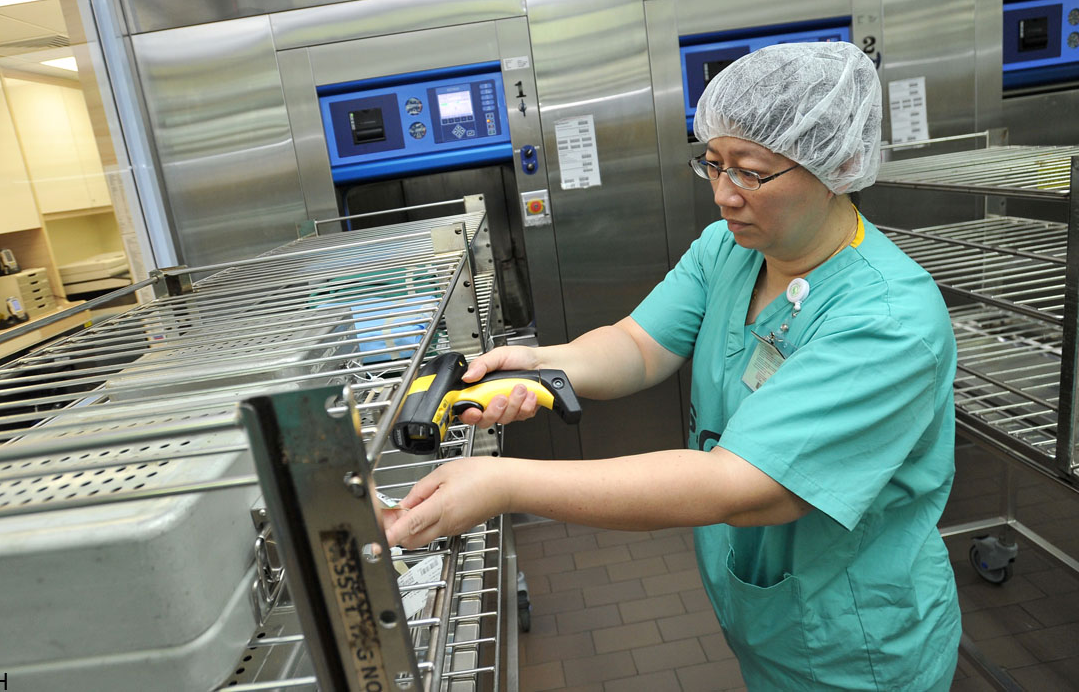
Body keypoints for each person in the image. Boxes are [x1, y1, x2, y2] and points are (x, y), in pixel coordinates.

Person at [381, 41, 961, 690]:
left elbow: (739, 484)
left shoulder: (888, 320)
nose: (724, 195)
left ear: (839, 167)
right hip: (771, 615)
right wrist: (539, 364)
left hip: (856, 644)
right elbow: (636, 345)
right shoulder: (730, 250)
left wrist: (504, 484)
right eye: (713, 164)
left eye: (751, 173)